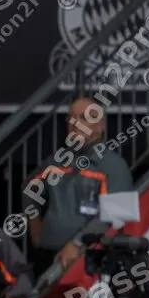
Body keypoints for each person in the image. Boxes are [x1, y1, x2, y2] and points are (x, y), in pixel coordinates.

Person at [25, 97, 135, 277]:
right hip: (47, 257)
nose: (76, 123)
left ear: (100, 125)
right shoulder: (56, 161)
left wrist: (77, 244)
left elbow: (118, 216)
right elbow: (29, 188)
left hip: (92, 260)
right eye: (71, 118)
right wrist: (34, 222)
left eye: (84, 118)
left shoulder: (115, 165)